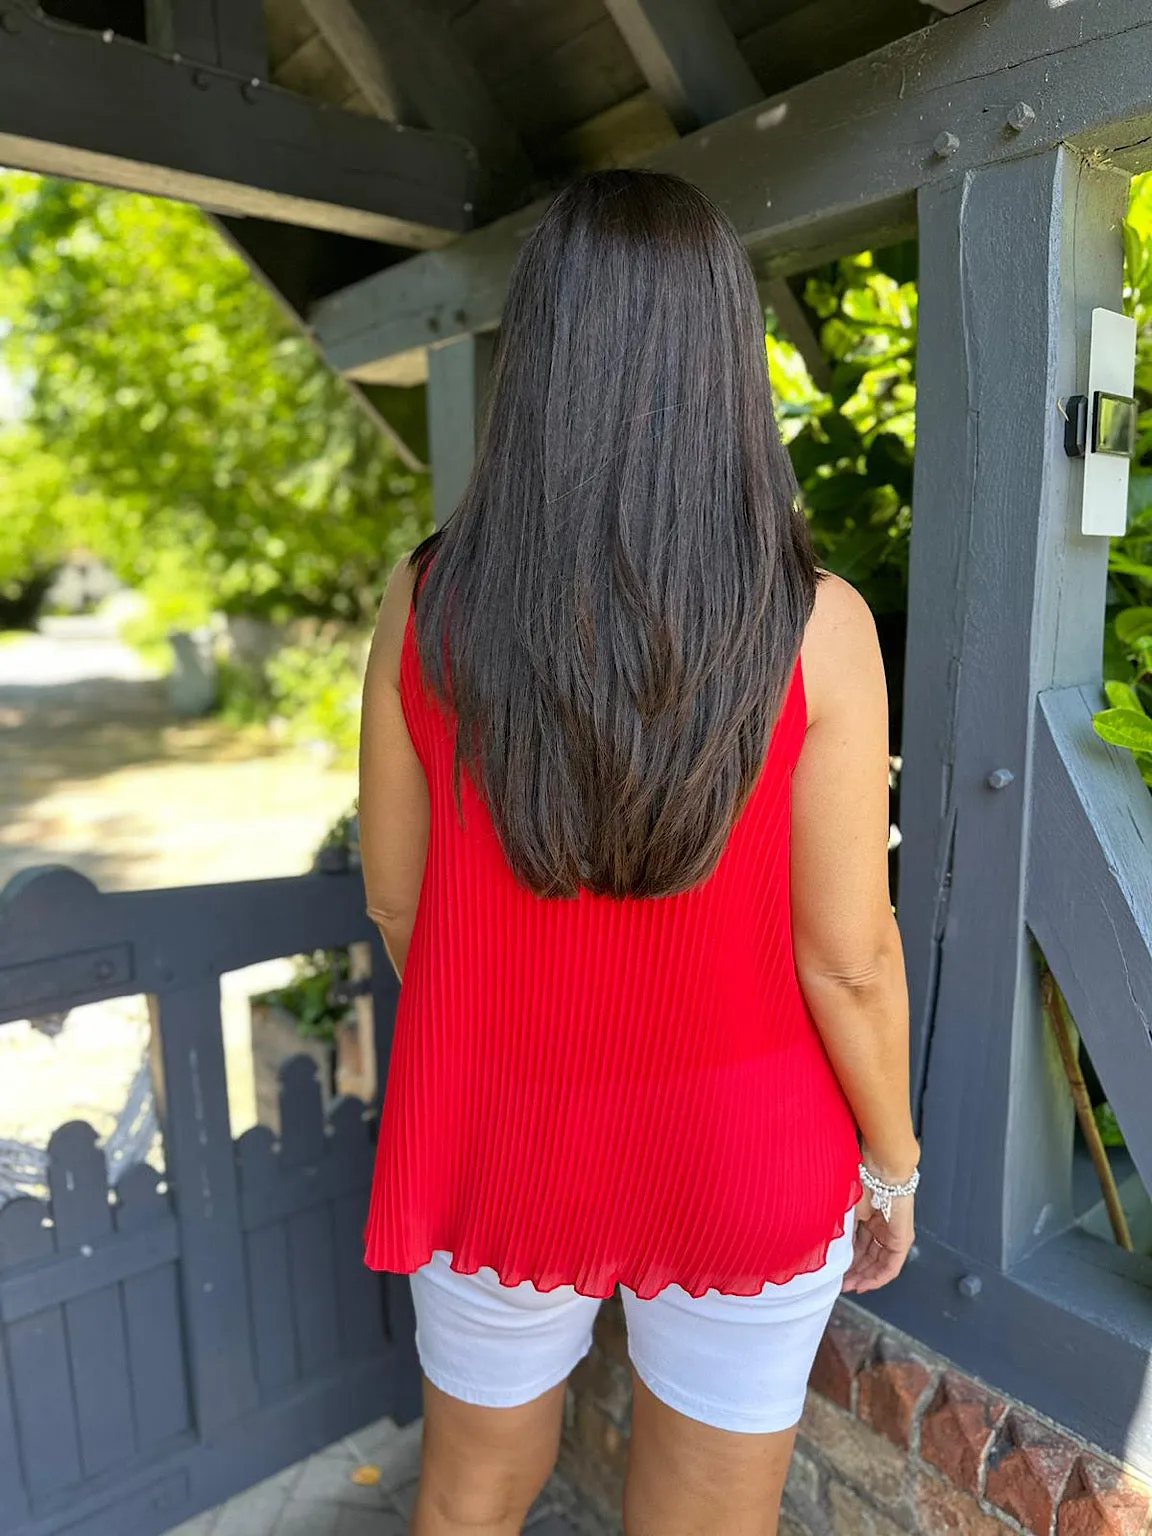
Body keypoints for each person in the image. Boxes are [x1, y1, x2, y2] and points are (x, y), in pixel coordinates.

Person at [358, 168, 918, 1536]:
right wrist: (892, 1165)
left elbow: (393, 893)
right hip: (748, 1142)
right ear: (727, 355)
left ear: (540, 354)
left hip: (494, 1124)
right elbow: (846, 959)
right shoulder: (816, 624)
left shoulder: (430, 600)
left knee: (469, 1501)